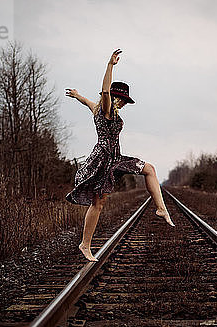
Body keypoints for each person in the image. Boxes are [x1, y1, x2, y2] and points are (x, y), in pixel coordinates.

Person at [65, 48, 175, 262]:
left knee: (149, 169)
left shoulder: (96, 108)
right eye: (122, 99)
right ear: (115, 98)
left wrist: (77, 95)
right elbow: (105, 91)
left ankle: (161, 209)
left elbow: (87, 101)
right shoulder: (105, 108)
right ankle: (85, 245)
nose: (124, 103)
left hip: (116, 159)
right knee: (98, 203)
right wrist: (110, 65)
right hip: (104, 160)